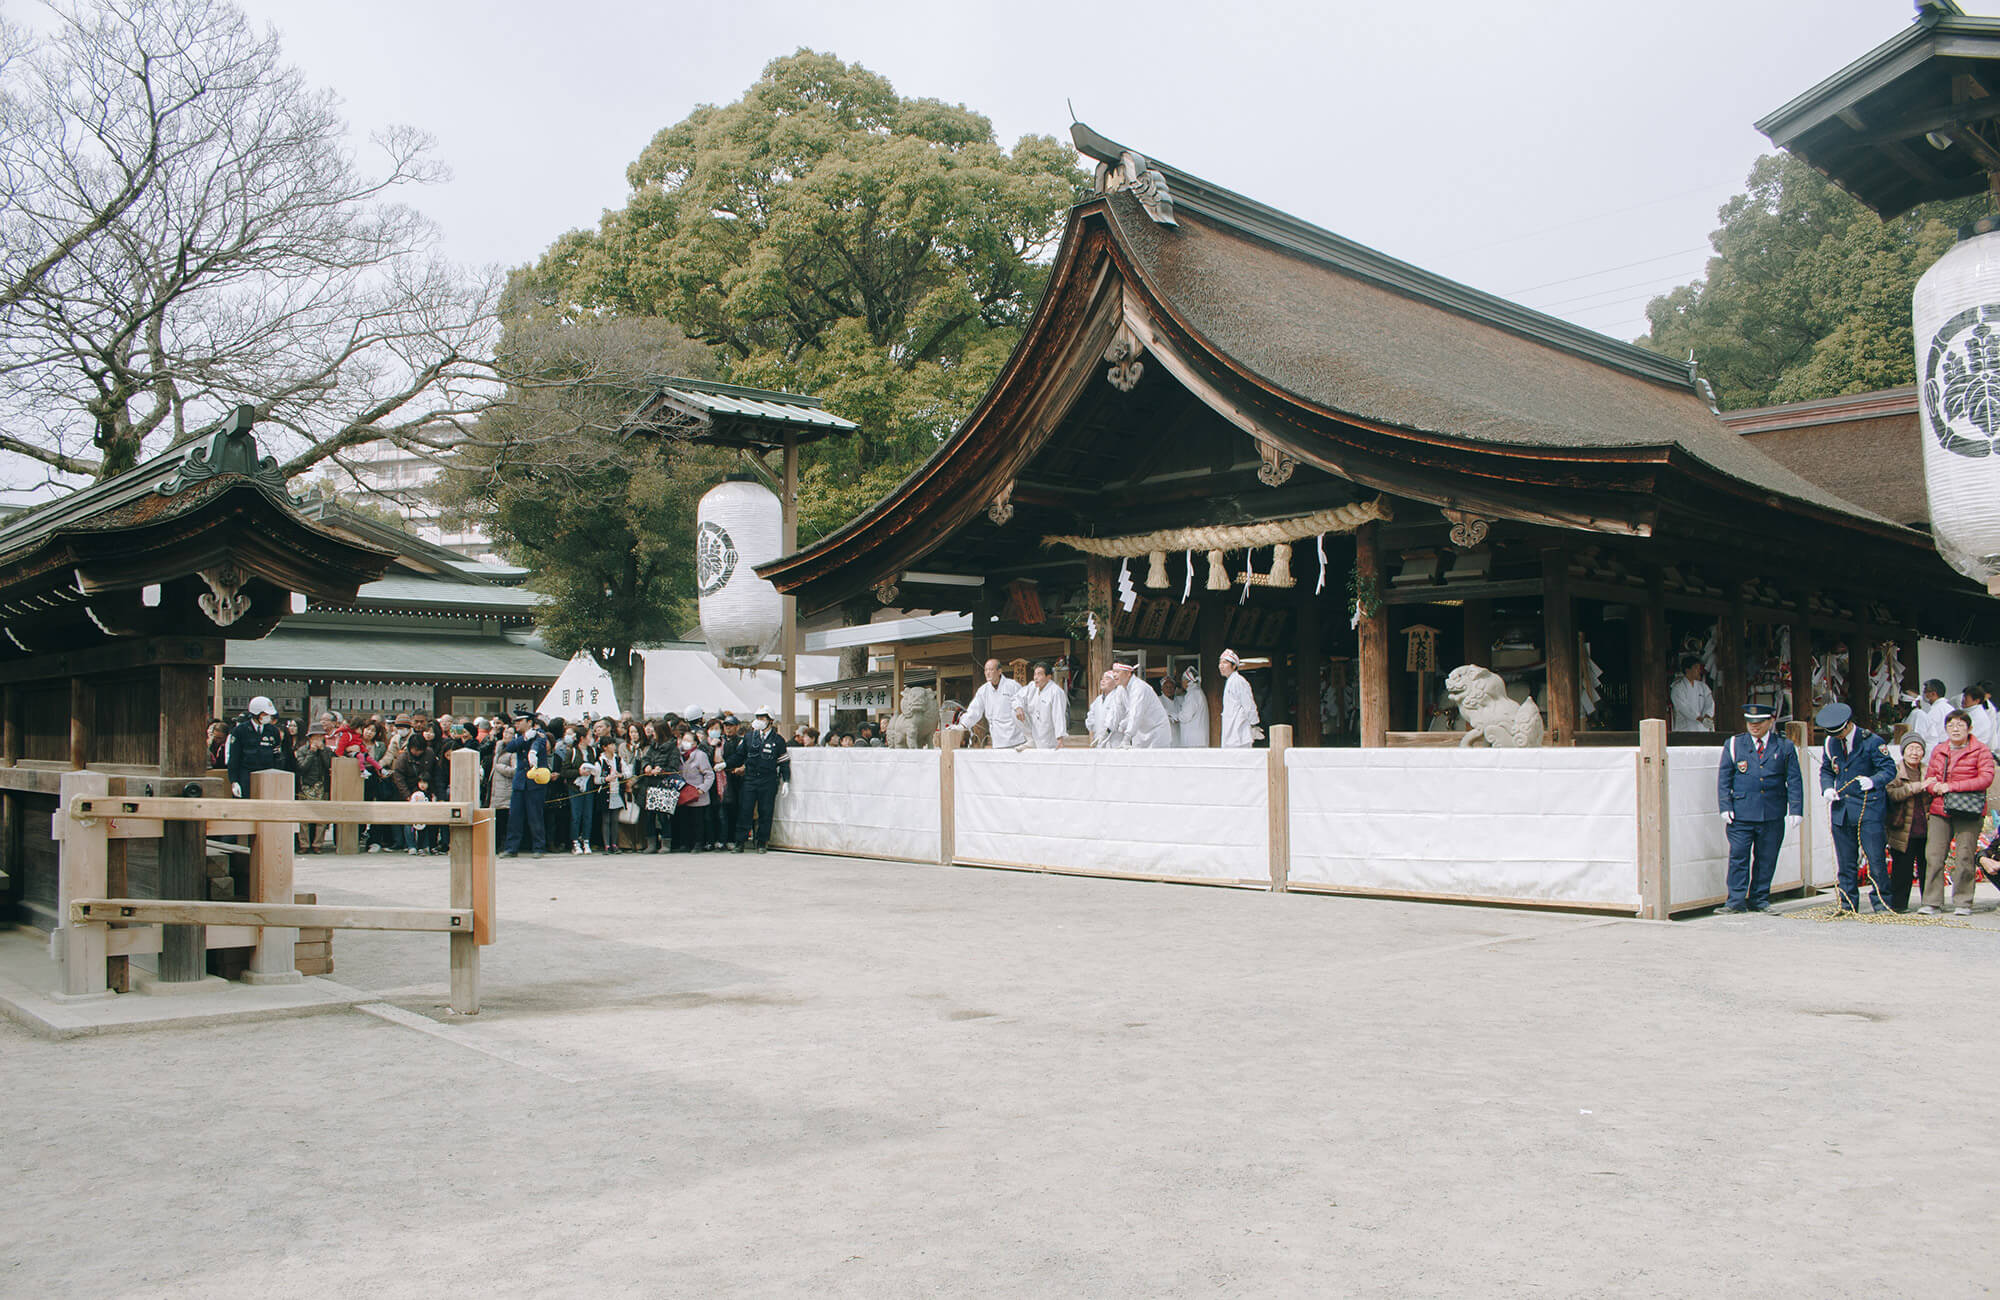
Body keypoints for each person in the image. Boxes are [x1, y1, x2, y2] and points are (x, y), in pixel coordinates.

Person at [1713, 702, 1802, 914]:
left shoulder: (1784, 746)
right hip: (1741, 812)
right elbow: (1724, 777)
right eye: (1750, 722)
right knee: (1739, 856)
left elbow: (1794, 779)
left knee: (1767, 857)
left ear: (1770, 721)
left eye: (1759, 722)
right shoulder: (1734, 744)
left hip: (1772, 811)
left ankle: (1759, 899)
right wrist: (1725, 805)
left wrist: (1796, 809)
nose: (1754, 726)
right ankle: (1735, 901)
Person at [1816, 701, 1899, 913]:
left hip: (1868, 807)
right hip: (1842, 809)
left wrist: (1874, 780)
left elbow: (1889, 769)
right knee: (1845, 861)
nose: (1838, 737)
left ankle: (1881, 903)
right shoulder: (1830, 743)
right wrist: (1826, 788)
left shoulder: (1871, 741)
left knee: (1875, 859)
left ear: (1848, 725)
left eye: (1840, 733)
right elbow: (1827, 769)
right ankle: (1847, 904)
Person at [1919, 708, 1995, 915]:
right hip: (1940, 808)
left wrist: (1952, 786)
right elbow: (1930, 777)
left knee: (1964, 856)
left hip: (1968, 810)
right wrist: (1932, 786)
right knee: (1933, 855)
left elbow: (1986, 778)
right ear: (1945, 729)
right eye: (1951, 725)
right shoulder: (1939, 749)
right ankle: (1932, 901)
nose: (1955, 729)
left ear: (1969, 728)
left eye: (1960, 725)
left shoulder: (1981, 750)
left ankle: (1963, 902)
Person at [1884, 737, 1931, 914]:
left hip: (1925, 827)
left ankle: (1929, 903)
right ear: (1903, 751)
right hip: (1902, 828)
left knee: (1927, 867)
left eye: (1918, 749)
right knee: (1902, 869)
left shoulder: (1928, 770)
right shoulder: (1895, 770)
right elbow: (1891, 793)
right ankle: (1899, 904)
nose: (1914, 752)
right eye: (1911, 748)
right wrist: (1915, 787)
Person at [736, 706, 789, 853]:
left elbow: (784, 763)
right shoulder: (749, 737)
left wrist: (786, 781)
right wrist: (726, 764)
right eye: (757, 717)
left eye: (762, 718)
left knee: (765, 811)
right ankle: (740, 841)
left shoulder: (778, 740)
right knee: (745, 810)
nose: (759, 721)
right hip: (750, 779)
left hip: (768, 781)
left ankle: (762, 842)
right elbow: (739, 756)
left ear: (770, 721)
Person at [501, 712, 550, 859]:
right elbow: (509, 747)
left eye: (519, 721)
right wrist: (524, 738)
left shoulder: (539, 734)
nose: (516, 724)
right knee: (515, 816)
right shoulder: (520, 737)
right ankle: (511, 848)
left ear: (529, 722)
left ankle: (539, 847)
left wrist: (533, 750)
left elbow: (539, 744)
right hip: (520, 782)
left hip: (534, 782)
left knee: (535, 816)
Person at [960, 658, 1028, 750]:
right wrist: (963, 725)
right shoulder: (983, 690)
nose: (988, 673)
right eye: (986, 670)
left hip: (1016, 738)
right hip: (997, 739)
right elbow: (974, 710)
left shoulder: (1012, 686)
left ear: (999, 671)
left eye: (991, 670)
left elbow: (1023, 703)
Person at [226, 695, 287, 798]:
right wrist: (234, 781)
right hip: (246, 775)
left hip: (267, 776)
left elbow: (277, 755)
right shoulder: (240, 731)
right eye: (265, 714)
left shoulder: (273, 731)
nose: (268, 716)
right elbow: (234, 758)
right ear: (256, 713)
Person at [672, 726, 714, 852]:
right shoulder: (678, 755)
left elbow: (709, 774)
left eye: (688, 740)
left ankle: (698, 843)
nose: (685, 742)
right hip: (683, 792)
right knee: (684, 820)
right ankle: (685, 843)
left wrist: (702, 788)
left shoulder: (700, 756)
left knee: (697, 821)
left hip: (697, 793)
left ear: (695, 743)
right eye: (684, 739)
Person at [1111, 663, 1172, 749]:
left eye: (1117, 672)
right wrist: (1106, 731)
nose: (1114, 675)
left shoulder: (1139, 687)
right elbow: (1116, 711)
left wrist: (1127, 737)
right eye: (1113, 672)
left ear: (1128, 673)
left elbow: (1136, 713)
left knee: (1156, 760)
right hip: (1141, 731)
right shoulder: (1120, 689)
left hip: (1157, 731)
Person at [295, 724, 332, 854]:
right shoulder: (302, 750)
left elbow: (329, 766)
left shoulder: (327, 751)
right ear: (310, 738)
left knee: (321, 819)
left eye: (320, 737)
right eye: (315, 737)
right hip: (306, 786)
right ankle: (304, 844)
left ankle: (318, 844)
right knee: (303, 818)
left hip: (322, 786)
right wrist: (311, 752)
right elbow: (302, 768)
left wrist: (321, 751)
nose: (317, 740)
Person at [1019, 661, 1068, 750]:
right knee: (1015, 709)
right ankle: (1030, 740)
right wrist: (1018, 708)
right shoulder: (1032, 687)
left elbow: (1059, 715)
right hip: (1034, 733)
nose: (1036, 678)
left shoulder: (1056, 691)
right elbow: (1017, 697)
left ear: (1048, 677)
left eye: (1040, 674)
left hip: (1049, 737)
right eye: (1035, 674)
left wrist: (1060, 739)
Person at [1218, 650, 1261, 749]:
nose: (1221, 666)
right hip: (1231, 730)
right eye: (1220, 662)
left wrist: (1254, 724)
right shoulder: (1230, 681)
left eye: (1225, 663)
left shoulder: (1239, 681)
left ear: (1234, 666)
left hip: (1239, 732)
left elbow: (1249, 705)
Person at [1670, 656, 1715, 732]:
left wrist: (1707, 716)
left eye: (1699, 668)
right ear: (1687, 670)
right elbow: (1683, 708)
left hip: (1703, 727)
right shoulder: (1677, 688)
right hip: (1685, 729)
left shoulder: (1703, 687)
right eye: (1696, 668)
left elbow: (1710, 703)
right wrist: (1699, 718)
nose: (1699, 671)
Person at [1085, 669, 1123, 747]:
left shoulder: (1118, 697)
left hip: (1114, 741)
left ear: (1115, 683)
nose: (1103, 681)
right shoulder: (1098, 700)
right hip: (1098, 739)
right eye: (1102, 679)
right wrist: (1095, 729)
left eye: (1107, 679)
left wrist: (1105, 732)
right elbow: (1090, 718)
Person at [1176, 666, 1209, 749]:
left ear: (1187, 681)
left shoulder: (1192, 694)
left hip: (1193, 741)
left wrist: (1175, 716)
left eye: (1182, 680)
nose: (1181, 682)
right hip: (1198, 740)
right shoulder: (1197, 691)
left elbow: (1185, 716)